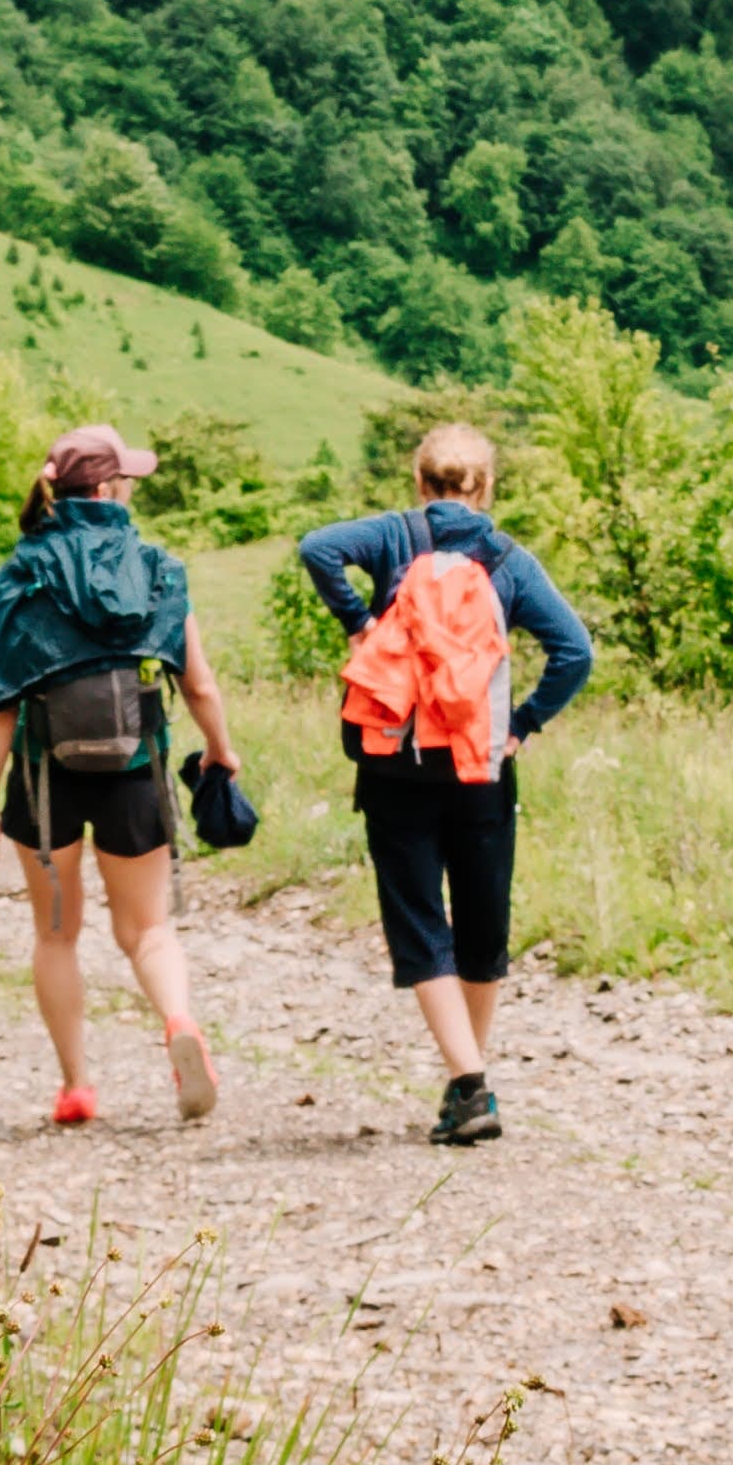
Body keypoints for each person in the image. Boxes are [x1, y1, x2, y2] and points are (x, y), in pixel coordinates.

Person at [298, 422, 593, 1147]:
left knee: (421, 921)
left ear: (419, 482)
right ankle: (470, 1083)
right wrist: (523, 720)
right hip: (480, 762)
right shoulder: (509, 561)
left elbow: (316, 547)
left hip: (395, 758)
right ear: (486, 486)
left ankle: (469, 1084)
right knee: (483, 925)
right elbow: (575, 651)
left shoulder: (393, 537)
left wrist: (360, 625)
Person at [0, 422, 239, 1130]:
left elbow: (1, 705)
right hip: (133, 769)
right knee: (148, 929)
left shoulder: (18, 573)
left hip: (42, 776)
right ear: (110, 487)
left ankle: (77, 1085)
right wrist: (220, 749)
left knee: (57, 932)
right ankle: (179, 1019)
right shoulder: (155, 565)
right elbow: (199, 683)